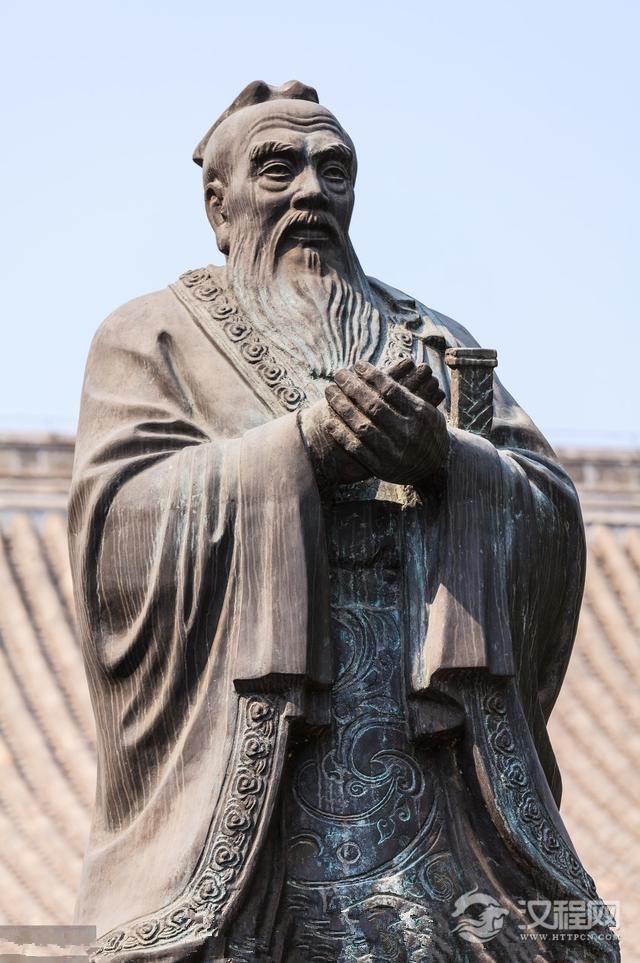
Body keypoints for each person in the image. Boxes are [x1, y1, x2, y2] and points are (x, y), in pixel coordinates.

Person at [69, 81, 618, 962]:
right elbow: (114, 538)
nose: (311, 193)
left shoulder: (436, 340)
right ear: (219, 204)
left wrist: (449, 462)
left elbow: (548, 509)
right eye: (277, 169)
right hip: (252, 798)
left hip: (434, 799)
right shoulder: (153, 339)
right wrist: (301, 450)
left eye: (335, 171)